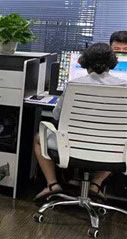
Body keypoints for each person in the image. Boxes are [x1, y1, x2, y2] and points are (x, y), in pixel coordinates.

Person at [33, 43, 127, 202]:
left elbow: (56, 115)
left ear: (84, 61)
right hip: (112, 150)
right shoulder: (124, 87)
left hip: (72, 148)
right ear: (112, 63)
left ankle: (52, 184)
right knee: (121, 145)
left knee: (38, 139)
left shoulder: (73, 85)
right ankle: (96, 185)